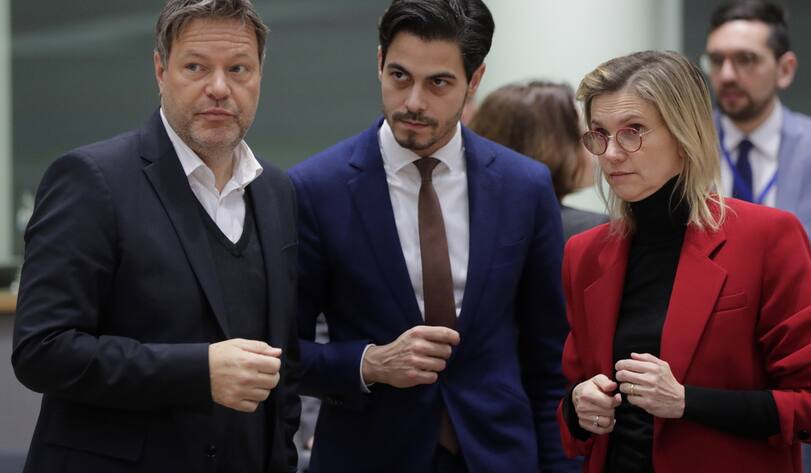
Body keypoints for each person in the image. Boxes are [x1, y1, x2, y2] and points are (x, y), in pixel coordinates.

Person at [11, 1, 300, 472]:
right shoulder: (91, 180)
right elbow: (42, 351)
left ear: (260, 75)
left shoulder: (278, 192)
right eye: (195, 67)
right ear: (160, 69)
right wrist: (198, 371)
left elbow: (284, 368)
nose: (220, 88)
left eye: (239, 68)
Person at [289, 0, 573, 472]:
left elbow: (551, 362)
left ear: (475, 81)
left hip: (498, 454)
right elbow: (283, 352)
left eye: (438, 82)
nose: (414, 101)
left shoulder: (525, 187)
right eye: (399, 76)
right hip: (369, 455)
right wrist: (369, 363)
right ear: (379, 62)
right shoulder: (316, 188)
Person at [555, 50, 811, 473]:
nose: (611, 153)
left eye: (632, 131)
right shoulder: (585, 253)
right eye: (599, 133)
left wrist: (687, 401)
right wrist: (580, 406)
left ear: (684, 135)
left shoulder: (766, 236)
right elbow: (573, 402)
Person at [703, 3, 811, 470]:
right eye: (716, 60)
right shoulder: (685, 155)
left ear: (785, 69)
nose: (726, 74)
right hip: (707, 396)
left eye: (745, 59)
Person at [470, 81, 608, 241]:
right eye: (583, 136)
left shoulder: (462, 220)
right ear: (547, 147)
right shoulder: (590, 231)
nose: (595, 148)